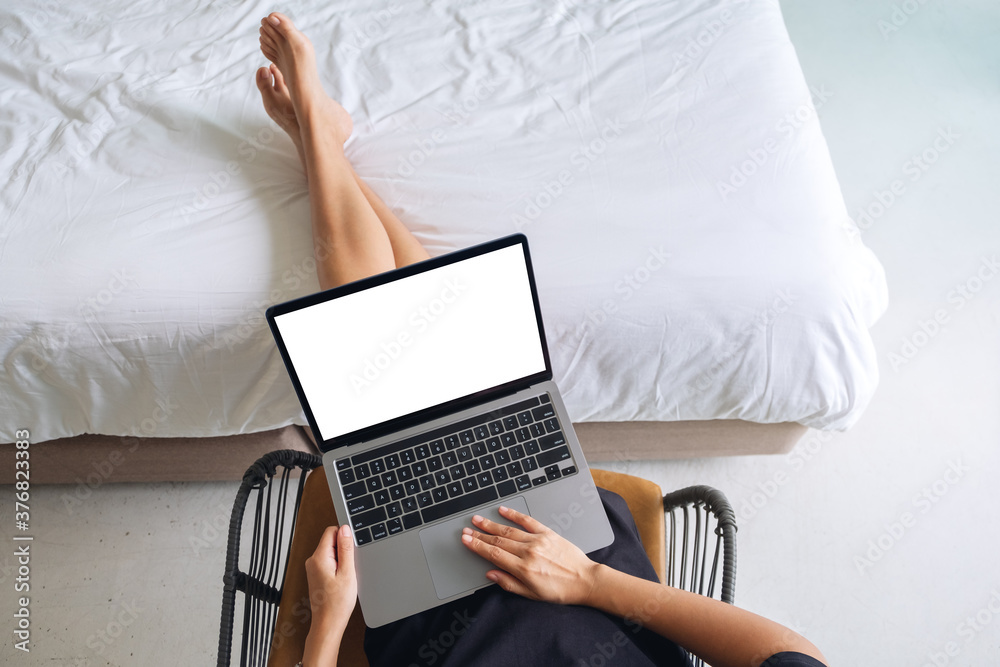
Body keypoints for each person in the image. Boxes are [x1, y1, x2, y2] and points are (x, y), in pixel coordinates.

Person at [254, 12, 829, 667]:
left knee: (392, 375)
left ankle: (323, 143)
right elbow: (794, 654)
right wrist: (586, 579)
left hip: (449, 624)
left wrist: (326, 627)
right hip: (577, 566)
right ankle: (323, 143)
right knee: (461, 377)